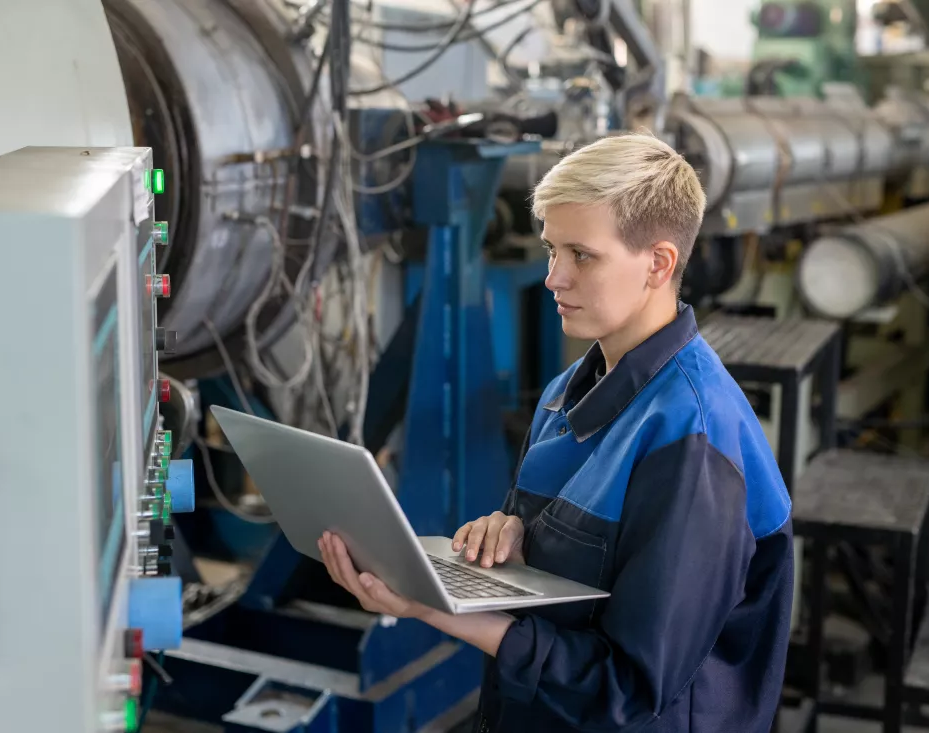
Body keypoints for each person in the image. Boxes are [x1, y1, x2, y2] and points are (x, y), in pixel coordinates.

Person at [318, 131, 794, 732]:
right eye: (551, 250)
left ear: (659, 262)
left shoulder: (692, 440)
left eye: (581, 255)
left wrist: (432, 608)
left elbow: (627, 691)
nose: (553, 278)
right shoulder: (568, 389)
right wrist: (515, 541)